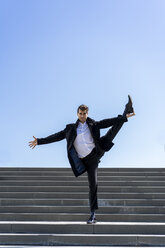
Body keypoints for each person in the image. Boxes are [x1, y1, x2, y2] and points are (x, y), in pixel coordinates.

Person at [29, 95, 135, 224]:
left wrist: (124, 118)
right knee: (92, 185)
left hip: (95, 153)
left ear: (87, 113)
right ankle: (93, 214)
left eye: (84, 113)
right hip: (84, 161)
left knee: (113, 131)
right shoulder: (70, 129)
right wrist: (39, 141)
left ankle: (92, 214)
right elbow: (56, 137)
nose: (83, 116)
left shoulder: (93, 123)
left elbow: (107, 122)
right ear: (77, 114)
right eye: (80, 113)